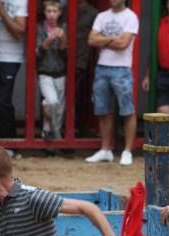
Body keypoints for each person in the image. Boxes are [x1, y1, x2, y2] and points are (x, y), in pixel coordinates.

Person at [85, 0, 139, 166]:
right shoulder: (102, 16)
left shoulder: (131, 17)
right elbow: (91, 40)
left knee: (127, 110)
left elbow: (124, 44)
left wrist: (103, 39)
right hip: (102, 67)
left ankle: (128, 151)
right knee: (102, 110)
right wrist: (113, 38)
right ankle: (105, 149)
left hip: (122, 68)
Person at [142, 0, 169, 161]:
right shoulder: (160, 23)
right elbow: (154, 51)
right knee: (164, 111)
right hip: (163, 72)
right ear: (167, 5)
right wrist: (147, 75)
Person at [0, 0, 28, 139]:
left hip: (9, 56)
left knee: (2, 100)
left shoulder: (20, 1)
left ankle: (8, 142)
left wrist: (0, 8)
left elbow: (19, 32)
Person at [37, 0, 67, 141]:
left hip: (61, 72)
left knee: (59, 108)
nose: (51, 15)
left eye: (54, 11)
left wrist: (62, 40)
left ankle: (49, 131)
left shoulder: (64, 28)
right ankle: (55, 133)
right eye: (49, 11)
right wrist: (48, 40)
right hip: (45, 72)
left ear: (59, 13)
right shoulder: (39, 28)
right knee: (52, 102)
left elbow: (65, 54)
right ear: (44, 12)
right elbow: (37, 53)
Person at [74, 0, 98, 137]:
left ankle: (80, 128)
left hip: (83, 61)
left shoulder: (93, 13)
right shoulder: (64, 9)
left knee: (80, 97)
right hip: (63, 59)